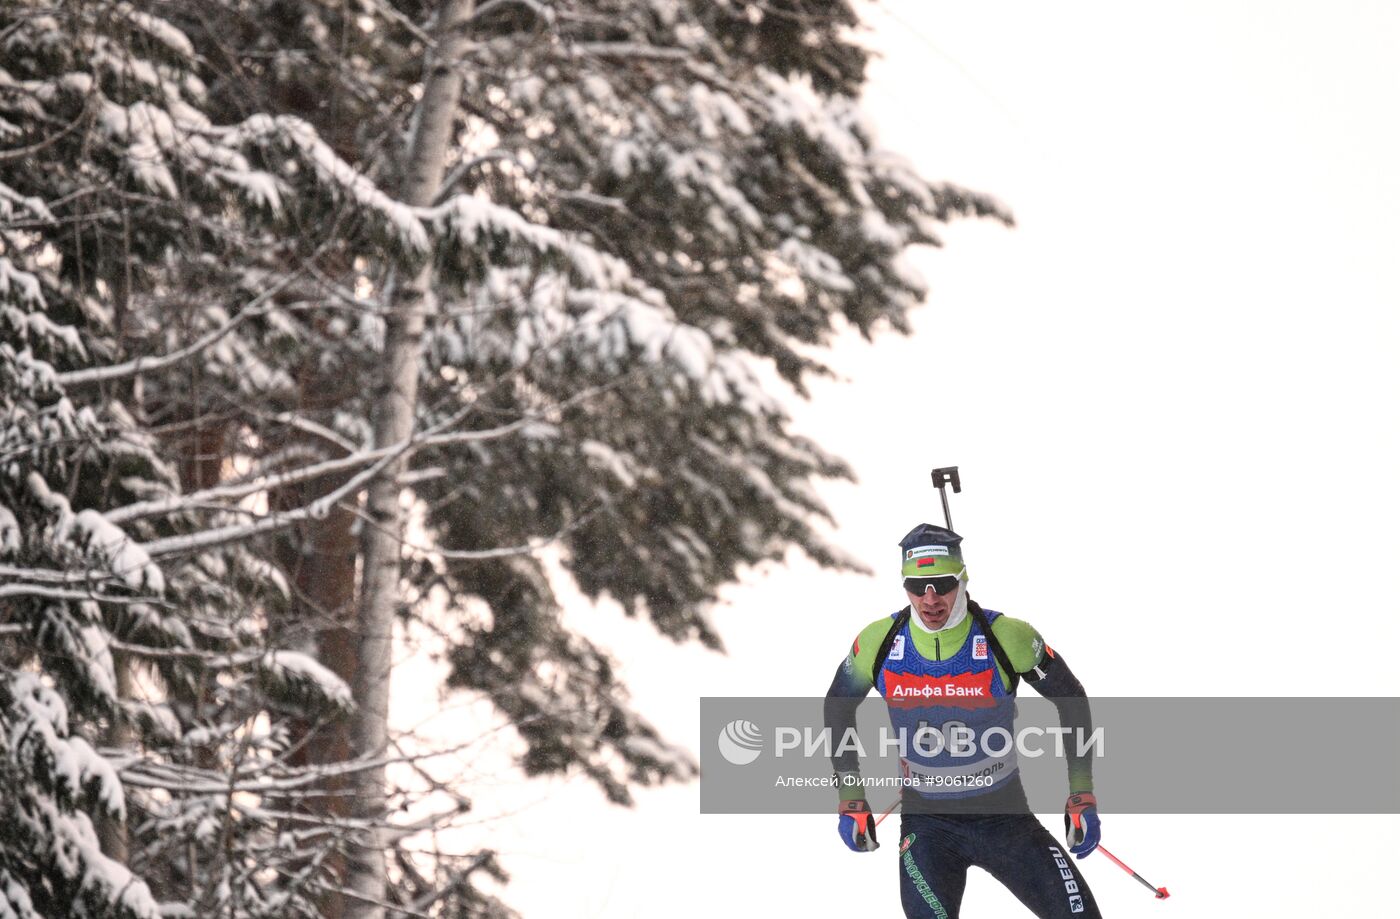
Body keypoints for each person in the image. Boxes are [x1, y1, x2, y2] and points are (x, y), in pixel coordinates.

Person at [824, 523, 1103, 918]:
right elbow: (837, 707)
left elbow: (1070, 700)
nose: (930, 598)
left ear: (962, 579)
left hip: (1007, 819)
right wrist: (850, 798)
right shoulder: (879, 642)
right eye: (917, 586)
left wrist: (1081, 793)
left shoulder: (1007, 637)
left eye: (942, 583)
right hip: (928, 828)